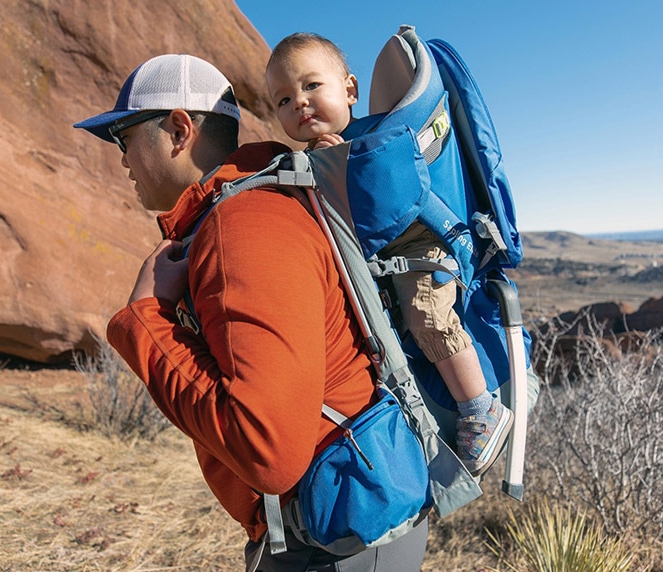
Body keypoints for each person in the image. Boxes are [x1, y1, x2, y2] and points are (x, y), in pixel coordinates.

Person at [74, 53, 429, 571]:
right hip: (339, 517)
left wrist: (146, 319)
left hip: (338, 538)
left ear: (178, 129)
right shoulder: (248, 207)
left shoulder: (244, 226)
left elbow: (269, 451)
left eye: (122, 135)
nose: (121, 157)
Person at [265, 32, 512, 476]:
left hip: (422, 248)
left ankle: (481, 408)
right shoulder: (304, 161)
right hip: (379, 261)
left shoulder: (377, 135)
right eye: (283, 100)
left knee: (427, 315)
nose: (299, 103)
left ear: (350, 90)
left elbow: (389, 200)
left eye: (310, 86)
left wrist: (340, 163)